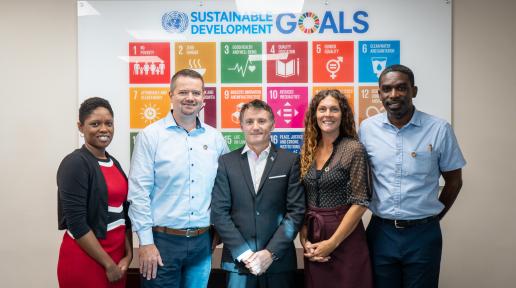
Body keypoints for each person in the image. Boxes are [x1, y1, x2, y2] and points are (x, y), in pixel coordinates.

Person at [359, 64, 466, 288]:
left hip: (423, 235)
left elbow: (454, 181)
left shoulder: (439, 129)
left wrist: (433, 217)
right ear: (379, 94)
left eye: (401, 88)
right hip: (381, 232)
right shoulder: (367, 129)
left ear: (413, 91)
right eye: (387, 89)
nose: (394, 94)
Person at [128, 69, 229, 288]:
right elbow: (138, 193)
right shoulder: (150, 136)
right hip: (162, 242)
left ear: (203, 98)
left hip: (203, 242)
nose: (190, 98)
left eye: (196, 92)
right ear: (170, 95)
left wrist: (218, 230)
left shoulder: (215, 138)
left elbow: (225, 189)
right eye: (183, 92)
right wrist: (145, 243)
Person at [211, 99, 305, 288]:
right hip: (238, 264)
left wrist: (270, 253)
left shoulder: (290, 160)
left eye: (262, 121)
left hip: (278, 262)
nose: (256, 127)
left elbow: (296, 211)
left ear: (273, 124)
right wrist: (245, 254)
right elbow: (220, 213)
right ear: (241, 126)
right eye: (249, 121)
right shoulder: (226, 162)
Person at [299, 89, 373, 288]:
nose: (327, 114)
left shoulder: (353, 149)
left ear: (343, 115)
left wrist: (332, 243)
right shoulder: (308, 148)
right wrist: (304, 238)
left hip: (345, 237)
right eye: (322, 109)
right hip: (314, 237)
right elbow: (304, 198)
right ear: (315, 114)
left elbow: (360, 202)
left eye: (334, 109)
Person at [57, 97, 133, 288]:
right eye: (95, 124)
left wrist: (129, 255)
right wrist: (108, 264)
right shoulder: (74, 163)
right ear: (81, 127)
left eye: (109, 123)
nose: (104, 129)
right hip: (87, 261)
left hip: (117, 261)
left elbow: (124, 213)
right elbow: (76, 223)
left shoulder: (113, 163)